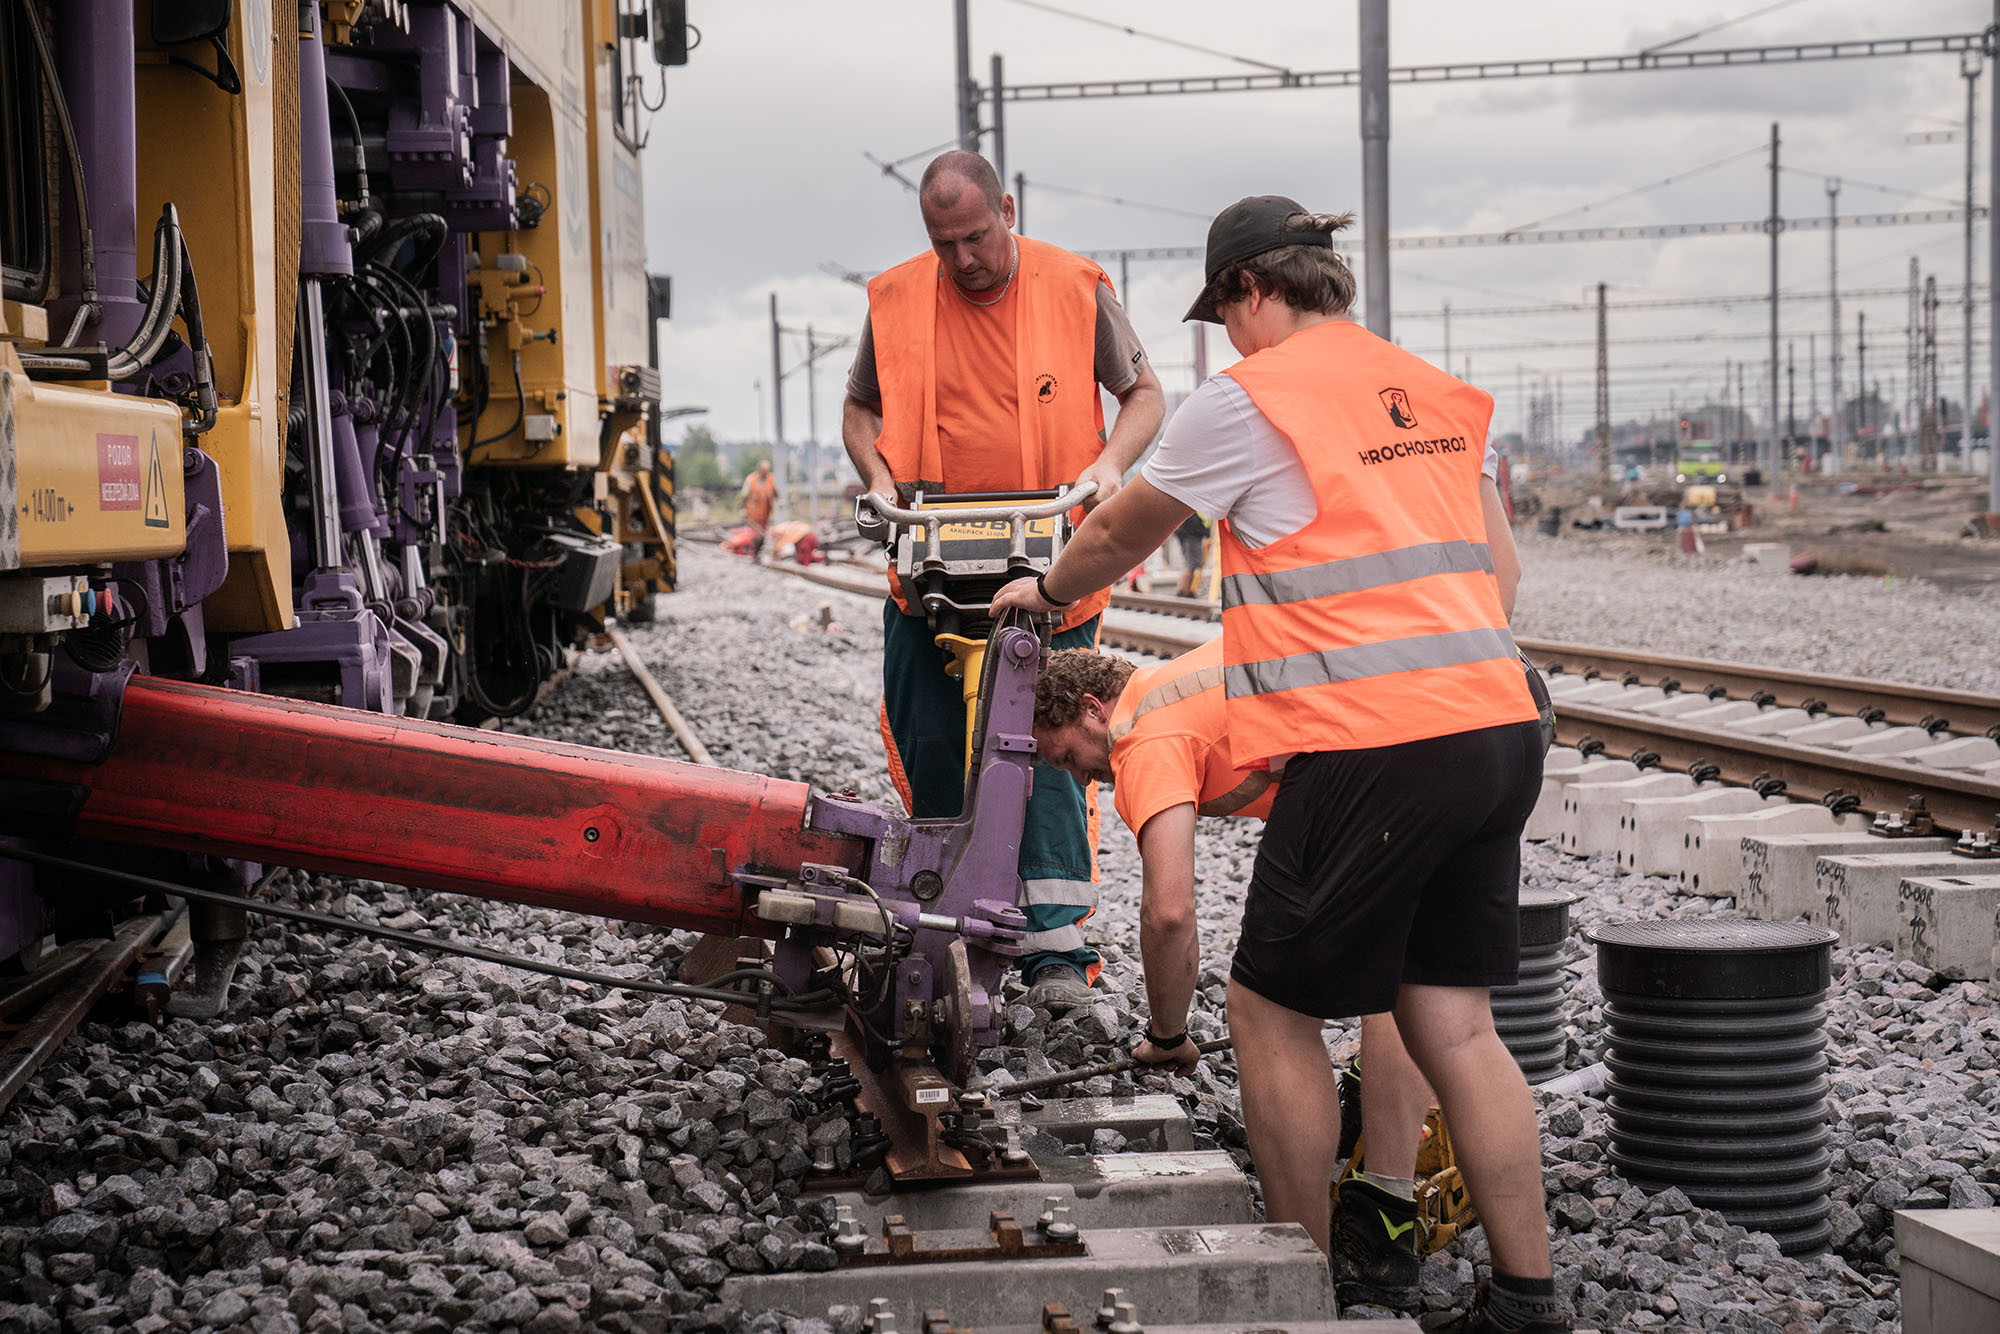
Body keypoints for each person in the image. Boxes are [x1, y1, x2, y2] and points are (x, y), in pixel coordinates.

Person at [992, 196, 1564, 1334]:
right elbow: (1497, 579)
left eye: (1224, 314)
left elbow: (1120, 533)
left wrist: (1042, 593)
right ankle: (1525, 1298)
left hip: (1372, 742)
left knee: (1266, 1007)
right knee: (1452, 1019)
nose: (1224, 338)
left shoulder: (1252, 398)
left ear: (1253, 289)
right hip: (1499, 725)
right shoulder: (1433, 393)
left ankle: (1303, 1283)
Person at [842, 150, 1165, 1009]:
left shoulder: (1073, 286)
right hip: (929, 569)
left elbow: (1143, 394)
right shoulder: (896, 297)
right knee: (933, 735)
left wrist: (1106, 470)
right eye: (944, 243)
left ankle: (1055, 952)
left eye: (977, 237)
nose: (963, 260)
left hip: (1050, 568)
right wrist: (877, 479)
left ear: (1007, 210)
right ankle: (948, 920)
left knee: (1052, 750)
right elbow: (860, 406)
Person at [1032, 637, 1442, 1310]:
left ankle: (1299, 1253)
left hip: (1382, 759)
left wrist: (1167, 1036)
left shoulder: (1143, 731)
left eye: (1068, 757)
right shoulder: (1182, 684)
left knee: (1268, 1007)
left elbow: (1169, 912)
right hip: (1447, 725)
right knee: (1404, 979)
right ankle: (1387, 1213)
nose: (1081, 779)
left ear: (1090, 710)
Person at [741, 460, 778, 558]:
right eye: (764, 471)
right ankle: (752, 553)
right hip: (753, 514)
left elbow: (775, 491)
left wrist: (779, 500)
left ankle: (755, 554)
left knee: (762, 536)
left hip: (765, 515)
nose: (765, 473)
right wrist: (743, 509)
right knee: (756, 536)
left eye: (767, 471)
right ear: (759, 470)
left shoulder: (771, 479)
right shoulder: (751, 480)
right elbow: (744, 496)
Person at [1171, 510, 1209, 597]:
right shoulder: (1197, 507)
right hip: (1192, 534)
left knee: (1191, 564)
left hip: (1189, 533)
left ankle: (1185, 590)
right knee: (1191, 564)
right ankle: (1182, 591)